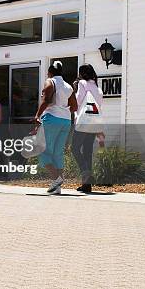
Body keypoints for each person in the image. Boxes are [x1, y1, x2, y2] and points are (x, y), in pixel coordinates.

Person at [34, 61, 77, 195]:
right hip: (65, 121)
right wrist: (62, 109)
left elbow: (46, 101)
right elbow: (74, 107)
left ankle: (56, 178)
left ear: (50, 72)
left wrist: (37, 116)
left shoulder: (50, 82)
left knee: (43, 150)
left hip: (51, 119)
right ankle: (57, 187)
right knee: (57, 153)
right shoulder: (68, 87)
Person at [71, 64, 103, 193]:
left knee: (74, 148)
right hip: (94, 122)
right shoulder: (96, 86)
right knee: (87, 152)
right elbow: (99, 104)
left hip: (83, 122)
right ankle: (87, 185)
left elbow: (78, 101)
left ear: (82, 73)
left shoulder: (82, 83)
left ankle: (86, 171)